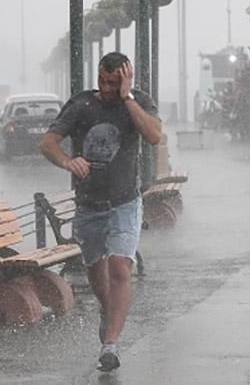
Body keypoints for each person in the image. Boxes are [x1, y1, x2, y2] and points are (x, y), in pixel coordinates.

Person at [40, 52, 162, 372]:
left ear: (126, 78)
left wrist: (128, 98)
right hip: (88, 205)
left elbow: (154, 135)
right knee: (96, 269)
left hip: (124, 203)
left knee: (120, 268)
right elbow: (48, 143)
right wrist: (68, 161)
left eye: (114, 83)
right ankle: (108, 311)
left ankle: (110, 345)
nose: (107, 89)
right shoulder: (82, 104)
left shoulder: (138, 102)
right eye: (103, 81)